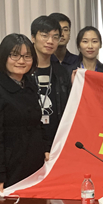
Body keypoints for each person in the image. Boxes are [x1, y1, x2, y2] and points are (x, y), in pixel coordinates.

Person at [0, 34, 50, 194]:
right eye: (15, 55)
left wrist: (46, 147)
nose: (21, 61)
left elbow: (37, 123)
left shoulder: (30, 85)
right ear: (4, 57)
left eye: (27, 56)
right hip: (9, 168)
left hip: (35, 164)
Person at [30, 15, 72, 144]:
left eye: (55, 37)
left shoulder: (62, 72)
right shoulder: (23, 70)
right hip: (30, 141)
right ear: (33, 38)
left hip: (58, 139)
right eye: (45, 36)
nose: (50, 41)